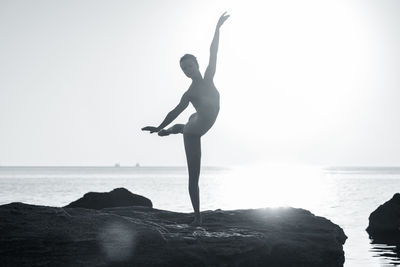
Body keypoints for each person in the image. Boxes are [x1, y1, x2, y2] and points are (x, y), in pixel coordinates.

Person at [142, 12, 230, 226]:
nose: (187, 70)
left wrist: (217, 28)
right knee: (194, 176)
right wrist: (158, 127)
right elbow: (174, 111)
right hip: (194, 131)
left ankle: (170, 131)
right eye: (183, 69)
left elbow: (213, 51)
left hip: (197, 119)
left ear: (196, 65)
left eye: (189, 66)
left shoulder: (209, 77)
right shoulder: (189, 93)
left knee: (185, 124)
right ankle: (197, 218)